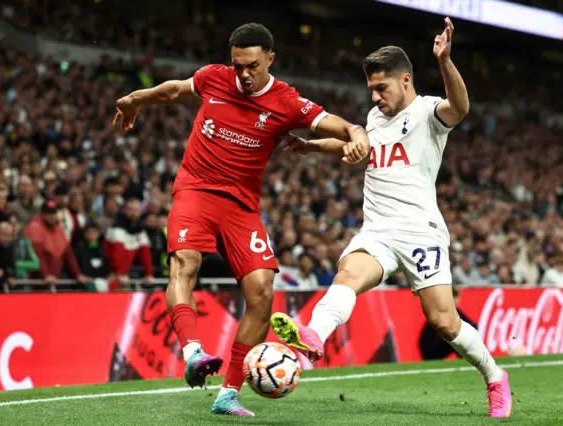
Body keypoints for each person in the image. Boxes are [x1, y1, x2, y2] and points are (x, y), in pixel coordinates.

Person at [113, 22, 370, 416]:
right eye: (238, 66)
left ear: (270, 59)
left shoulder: (286, 101)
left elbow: (337, 124)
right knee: (185, 262)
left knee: (262, 292)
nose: (244, 75)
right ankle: (194, 353)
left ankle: (228, 394)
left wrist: (356, 135)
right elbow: (175, 90)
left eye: (252, 65)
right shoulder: (215, 78)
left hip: (241, 206)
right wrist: (134, 99)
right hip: (195, 190)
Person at [270, 18, 512, 419]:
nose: (376, 96)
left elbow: (461, 108)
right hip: (378, 231)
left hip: (421, 232)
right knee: (348, 273)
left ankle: (494, 376)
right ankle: (313, 336)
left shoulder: (427, 112)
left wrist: (446, 61)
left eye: (382, 88)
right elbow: (358, 142)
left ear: (405, 80)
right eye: (371, 89)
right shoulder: (375, 117)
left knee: (444, 323)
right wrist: (314, 148)